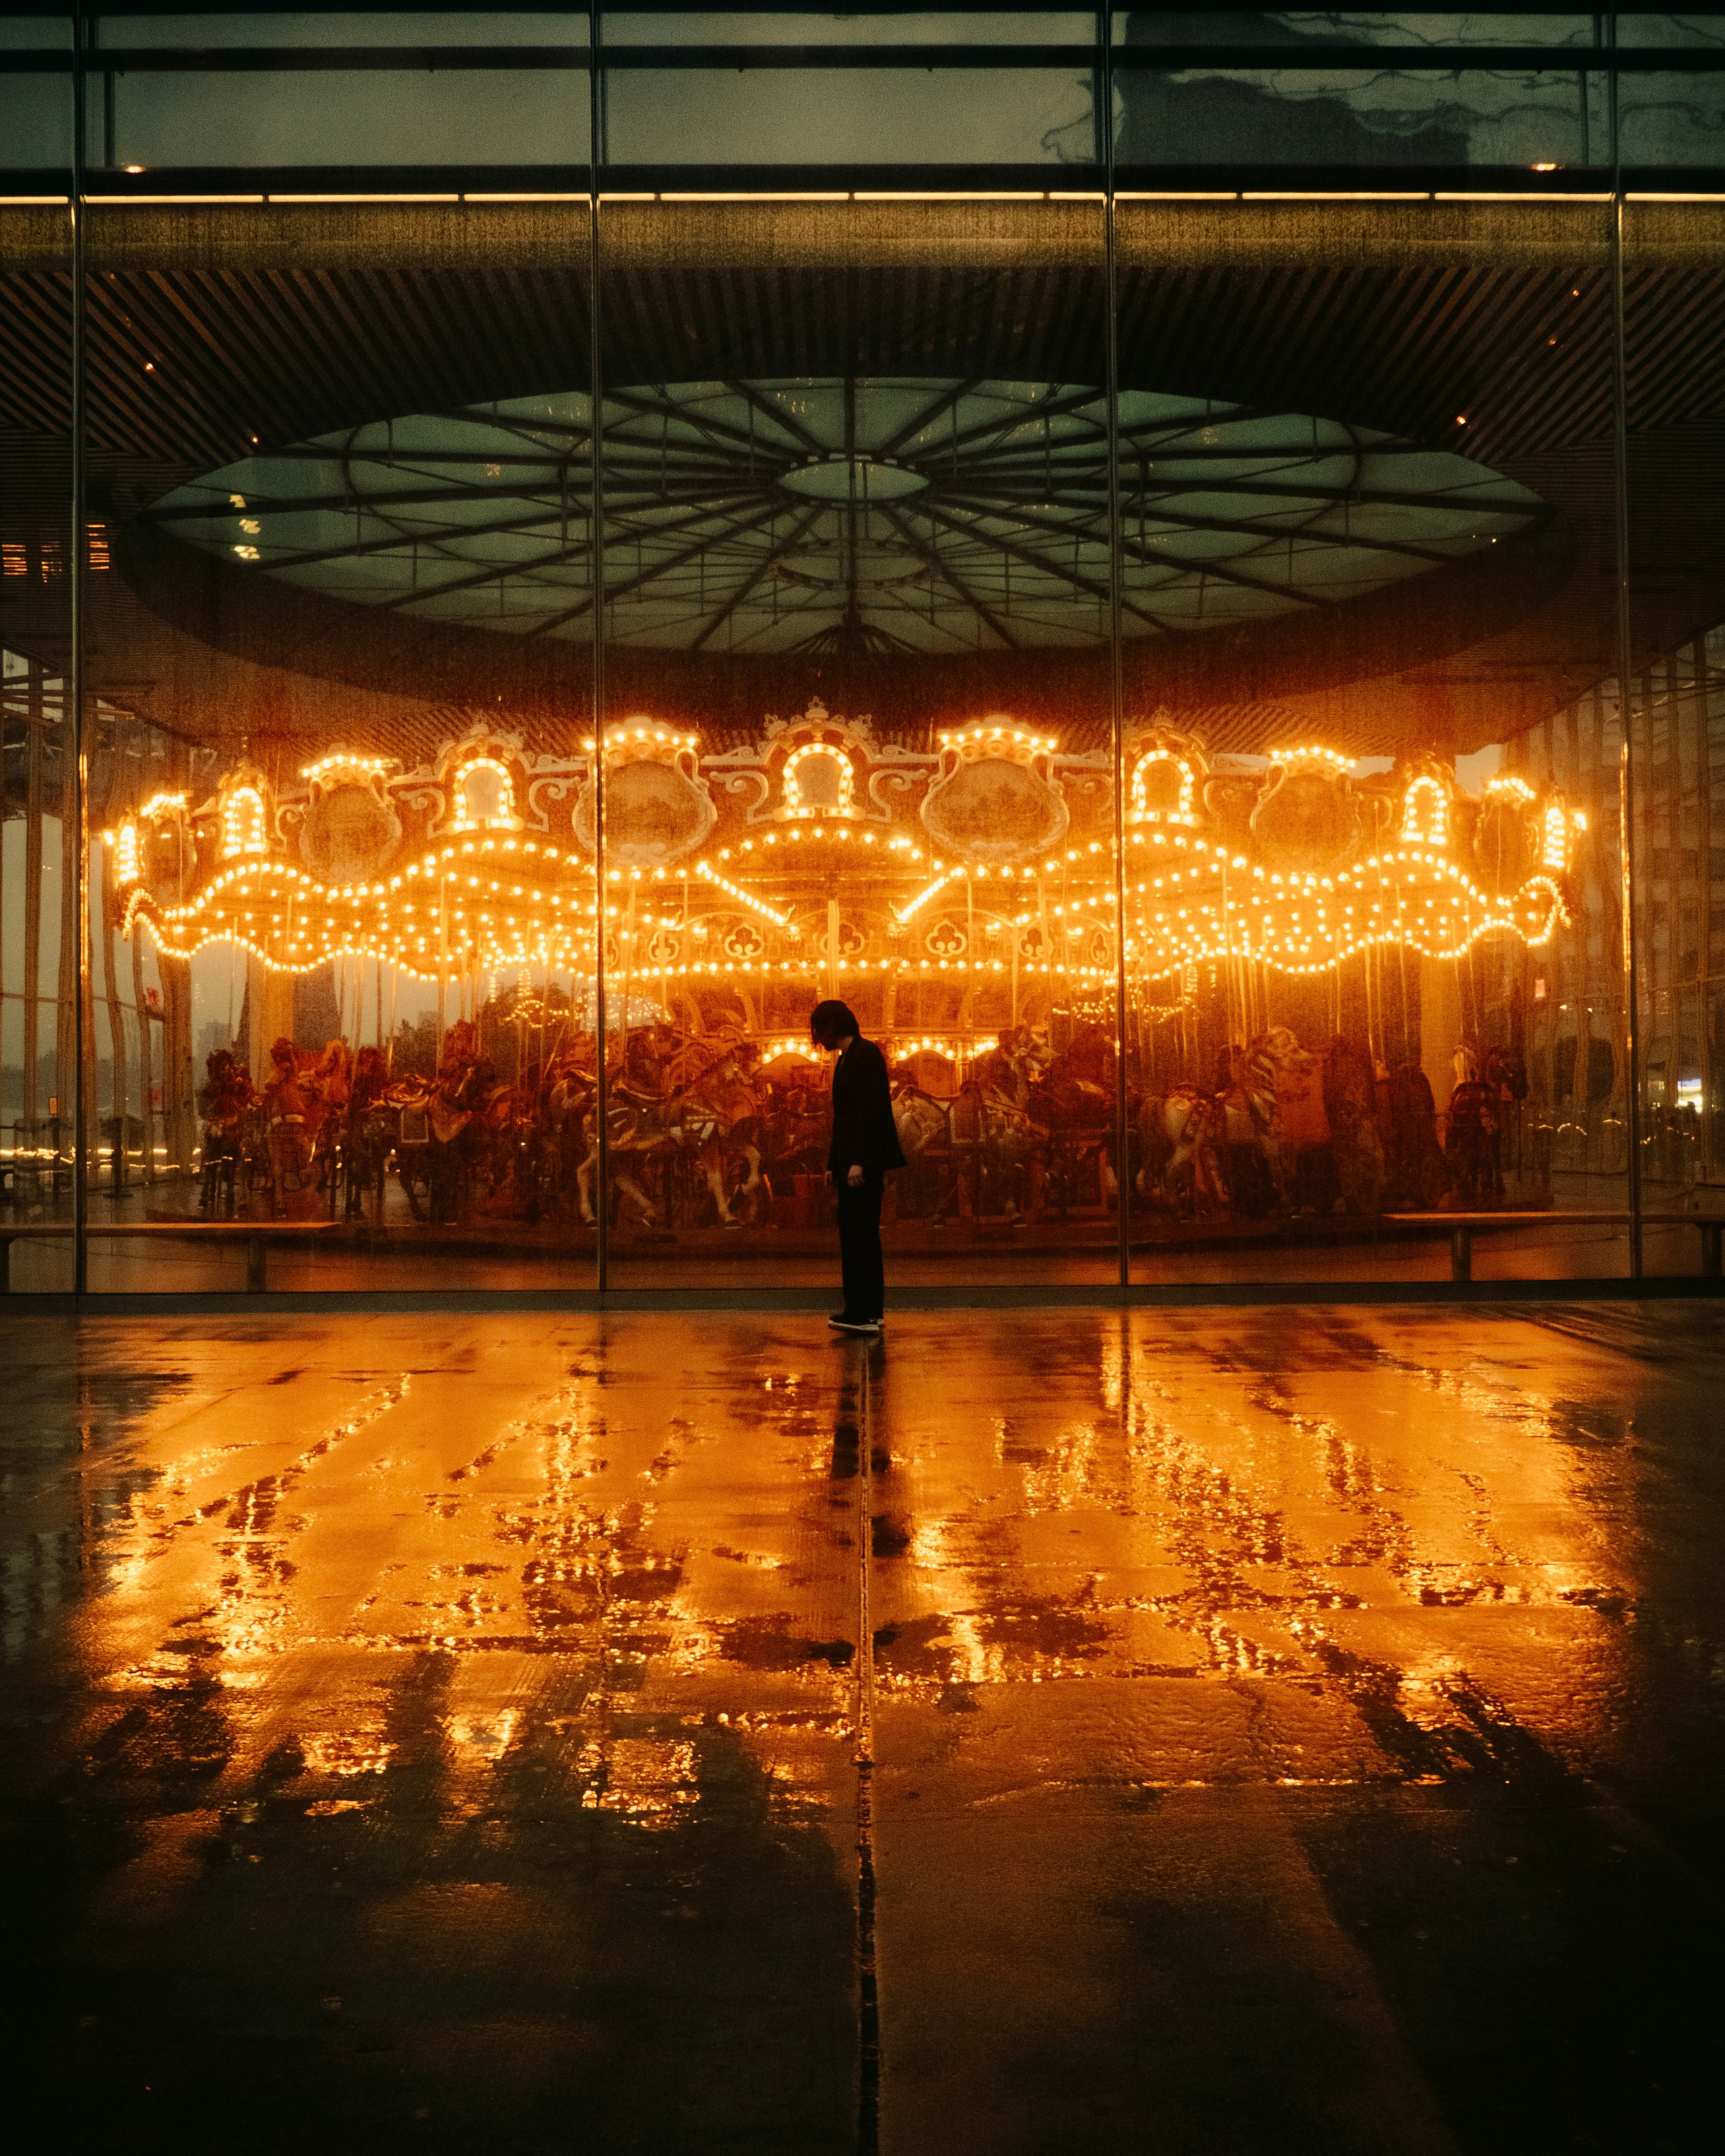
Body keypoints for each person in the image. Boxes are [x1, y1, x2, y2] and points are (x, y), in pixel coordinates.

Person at [811, 999, 905, 1333]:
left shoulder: (863, 1056)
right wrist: (834, 1163)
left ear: (833, 1027)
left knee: (859, 1237)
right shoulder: (853, 1057)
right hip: (853, 1162)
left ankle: (861, 1312)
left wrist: (858, 1162)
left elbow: (868, 1114)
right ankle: (867, 1309)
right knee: (858, 1236)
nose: (819, 1039)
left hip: (860, 1163)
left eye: (821, 1031)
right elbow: (846, 1120)